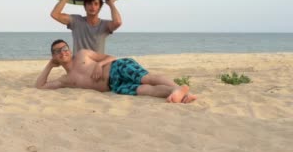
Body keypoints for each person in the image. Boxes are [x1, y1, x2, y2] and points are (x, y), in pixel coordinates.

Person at [35, 39, 197, 103]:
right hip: (114, 86)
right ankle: (178, 94)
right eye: (57, 51)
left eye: (65, 48)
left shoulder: (83, 53)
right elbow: (40, 86)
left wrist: (99, 65)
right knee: (145, 90)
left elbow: (110, 56)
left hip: (117, 67)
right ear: (54, 56)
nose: (63, 52)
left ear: (69, 50)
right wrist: (49, 65)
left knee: (147, 79)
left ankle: (177, 88)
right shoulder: (65, 80)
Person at [50, 0, 121, 54]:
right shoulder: (76, 20)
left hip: (97, 66)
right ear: (85, 6)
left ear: (99, 7)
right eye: (90, 3)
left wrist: (111, 4)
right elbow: (55, 14)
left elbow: (118, 22)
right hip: (79, 65)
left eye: (96, 4)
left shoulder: (104, 24)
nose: (92, 7)